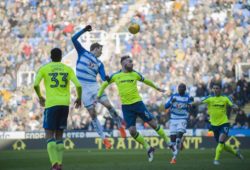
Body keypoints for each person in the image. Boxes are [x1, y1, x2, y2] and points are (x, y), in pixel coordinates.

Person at [97, 55, 172, 162]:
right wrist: (98, 95)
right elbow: (104, 84)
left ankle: (168, 141)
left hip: (138, 104)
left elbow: (146, 81)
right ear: (123, 64)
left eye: (132, 61)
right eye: (130, 61)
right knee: (132, 131)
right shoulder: (116, 76)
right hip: (126, 108)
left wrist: (156, 88)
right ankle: (148, 148)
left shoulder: (135, 74)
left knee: (153, 124)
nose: (132, 63)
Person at [71, 25, 126, 149]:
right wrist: (84, 30)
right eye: (101, 49)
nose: (102, 52)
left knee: (108, 105)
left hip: (94, 87)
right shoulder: (83, 52)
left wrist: (107, 77)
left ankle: (120, 125)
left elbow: (102, 77)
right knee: (93, 114)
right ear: (95, 48)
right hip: (84, 90)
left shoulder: (100, 63)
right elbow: (73, 39)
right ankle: (104, 139)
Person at [34, 48, 82, 170]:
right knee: (59, 135)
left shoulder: (45, 68)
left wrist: (40, 97)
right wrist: (79, 98)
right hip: (64, 104)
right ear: (61, 57)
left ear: (51, 56)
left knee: (49, 134)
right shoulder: (68, 69)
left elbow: (35, 84)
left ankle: (54, 164)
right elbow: (78, 85)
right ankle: (59, 164)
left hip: (51, 104)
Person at [193, 83, 244, 165]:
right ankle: (236, 153)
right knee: (222, 145)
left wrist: (235, 106)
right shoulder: (209, 98)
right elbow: (199, 102)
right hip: (214, 125)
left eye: (217, 88)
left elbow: (232, 104)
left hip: (224, 123)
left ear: (220, 89)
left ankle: (216, 160)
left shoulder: (225, 98)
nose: (215, 90)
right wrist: (191, 103)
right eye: (214, 88)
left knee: (220, 142)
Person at [165, 83, 193, 164]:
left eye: (182, 88)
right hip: (173, 119)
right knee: (172, 142)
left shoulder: (188, 97)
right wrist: (171, 102)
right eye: (179, 87)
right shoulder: (174, 96)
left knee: (177, 139)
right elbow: (166, 106)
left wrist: (190, 104)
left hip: (182, 119)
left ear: (185, 89)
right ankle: (179, 144)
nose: (180, 89)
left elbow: (190, 108)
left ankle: (174, 158)